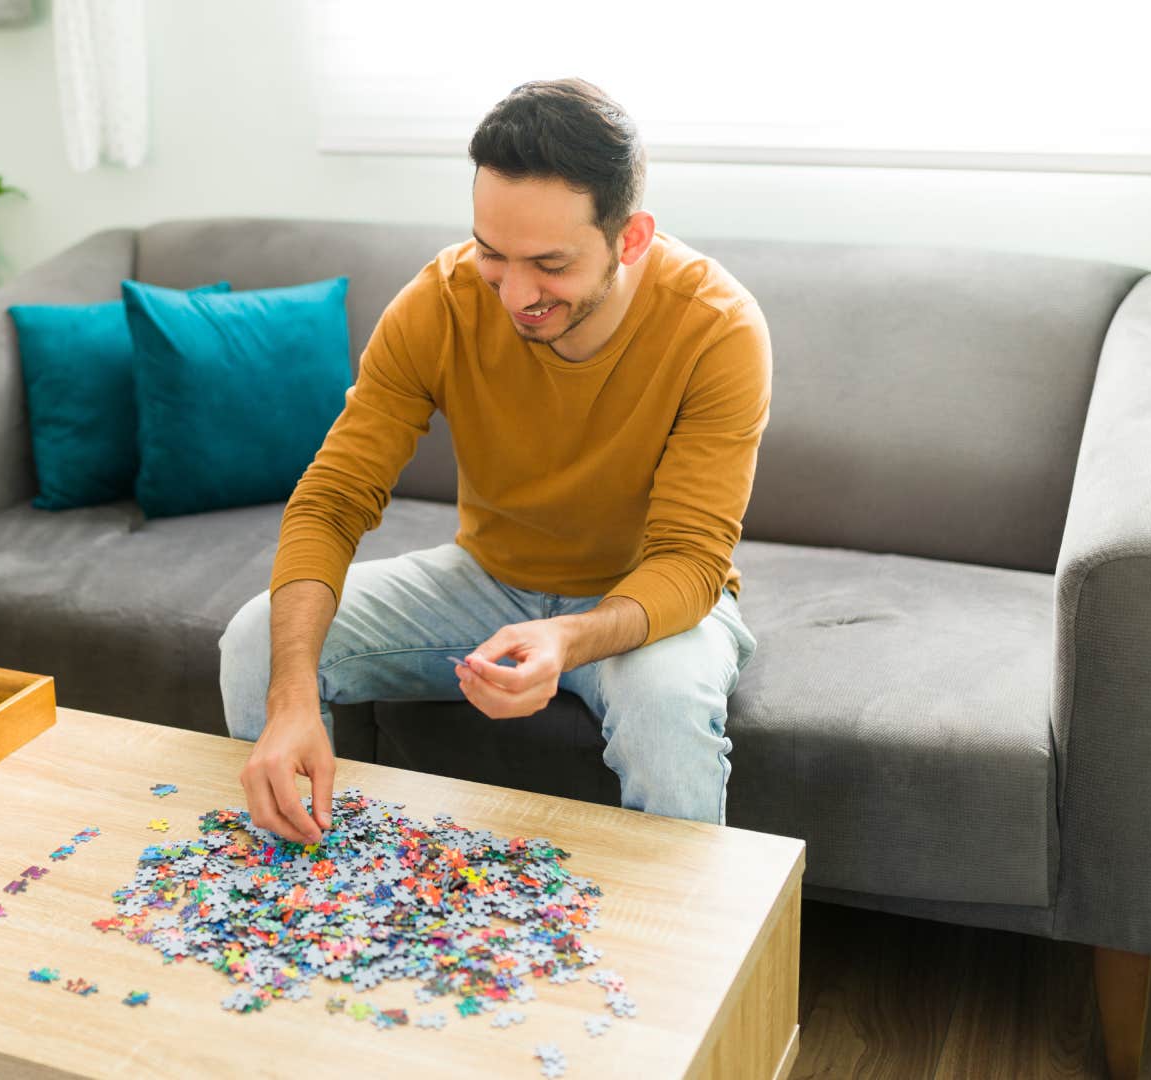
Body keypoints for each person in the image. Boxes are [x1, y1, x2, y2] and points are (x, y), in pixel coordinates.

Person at [219, 77, 772, 844]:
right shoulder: (438, 302)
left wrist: (568, 639)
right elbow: (334, 498)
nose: (515, 294)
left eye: (549, 263)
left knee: (665, 710)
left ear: (631, 238)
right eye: (492, 254)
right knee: (257, 641)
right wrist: (289, 703)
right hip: (486, 581)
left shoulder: (717, 328)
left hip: (646, 602)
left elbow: (688, 561)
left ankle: (685, 955)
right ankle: (298, 914)